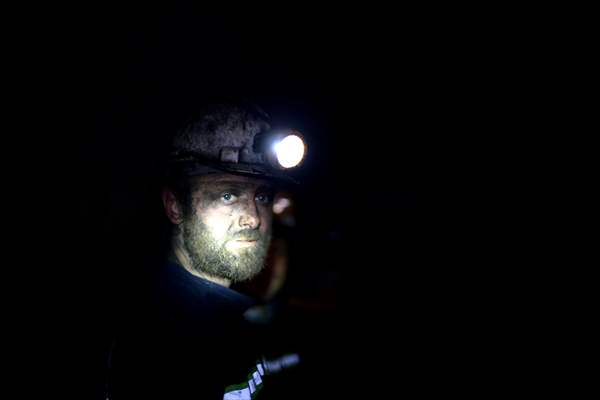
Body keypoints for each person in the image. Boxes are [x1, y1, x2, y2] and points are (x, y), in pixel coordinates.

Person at [106, 101, 305, 399]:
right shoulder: (158, 342)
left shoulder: (232, 317)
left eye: (262, 195)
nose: (252, 217)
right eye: (227, 195)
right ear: (175, 206)